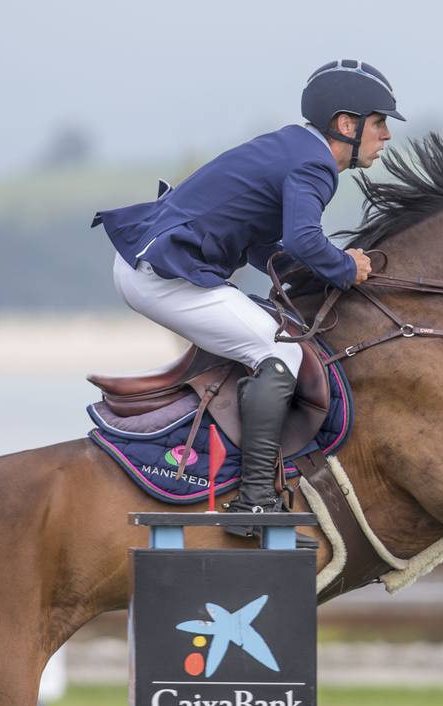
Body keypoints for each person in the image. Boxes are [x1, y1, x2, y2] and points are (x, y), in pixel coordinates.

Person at [94, 60, 402, 530]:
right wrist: (345, 267)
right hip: (161, 277)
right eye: (379, 123)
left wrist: (318, 272)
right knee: (281, 354)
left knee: (268, 338)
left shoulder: (293, 148)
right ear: (346, 124)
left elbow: (263, 246)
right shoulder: (316, 164)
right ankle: (255, 499)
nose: (386, 137)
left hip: (147, 264)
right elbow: (301, 240)